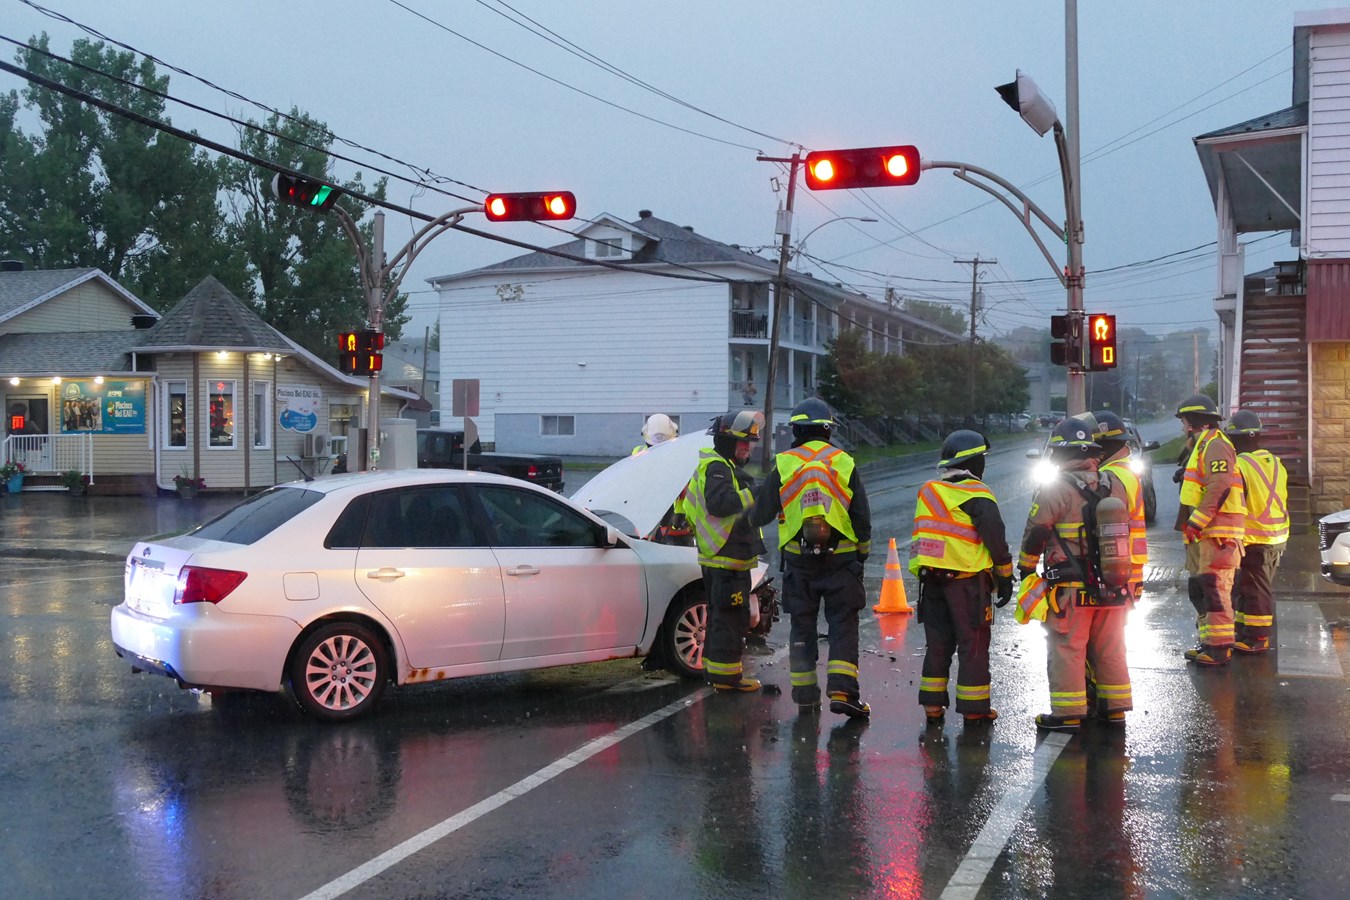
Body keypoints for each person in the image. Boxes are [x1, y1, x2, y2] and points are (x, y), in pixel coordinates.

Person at [749, 398, 872, 718]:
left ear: (797, 430)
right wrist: (862, 553)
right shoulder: (843, 461)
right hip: (841, 562)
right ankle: (843, 691)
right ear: (828, 430)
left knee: (802, 628)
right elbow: (861, 516)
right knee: (843, 626)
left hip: (799, 564)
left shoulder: (786, 463)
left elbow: (761, 514)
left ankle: (805, 694)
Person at [1018, 417, 1134, 732]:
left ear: (1059, 454)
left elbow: (1037, 532)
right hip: (1114, 583)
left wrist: (1025, 566)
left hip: (1070, 587)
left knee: (1067, 647)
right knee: (1110, 647)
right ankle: (1114, 709)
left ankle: (1068, 713)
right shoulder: (1115, 483)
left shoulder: (1055, 488)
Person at [909, 430, 1012, 725]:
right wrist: (1005, 577)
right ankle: (974, 708)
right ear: (976, 461)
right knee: (973, 644)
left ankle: (932, 706)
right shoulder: (978, 494)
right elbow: (996, 539)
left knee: (938, 643)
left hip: (931, 583)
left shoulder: (928, 491)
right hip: (967, 584)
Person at [677, 410, 767, 692]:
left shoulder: (721, 466)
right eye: (742, 443)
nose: (748, 448)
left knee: (723, 617)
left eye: (750, 443)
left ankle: (718, 676)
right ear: (727, 441)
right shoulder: (717, 467)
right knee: (730, 618)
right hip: (725, 558)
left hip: (724, 558)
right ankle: (728, 680)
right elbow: (720, 504)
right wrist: (755, 493)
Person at [1175, 394, 1246, 667]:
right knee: (1208, 589)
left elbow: (1220, 485)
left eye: (1183, 421)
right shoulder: (1205, 446)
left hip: (1219, 533)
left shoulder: (1215, 445)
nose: (1182, 427)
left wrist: (1198, 521)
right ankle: (1211, 644)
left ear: (1193, 422)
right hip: (1213, 533)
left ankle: (1218, 649)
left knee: (1216, 591)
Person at [1225, 409, 1289, 654]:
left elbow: (1235, 502)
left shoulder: (1240, 465)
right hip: (1277, 535)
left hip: (1254, 536)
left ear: (1234, 438)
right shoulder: (1275, 461)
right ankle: (1244, 629)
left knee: (1256, 588)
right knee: (1248, 585)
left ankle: (1258, 637)